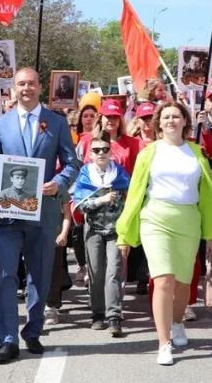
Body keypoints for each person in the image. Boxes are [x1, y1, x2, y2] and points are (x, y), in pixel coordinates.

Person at [115, 102, 212, 366]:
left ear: (185, 121)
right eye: (165, 117)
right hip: (155, 219)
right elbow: (135, 194)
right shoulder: (148, 153)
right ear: (158, 123)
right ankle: (163, 343)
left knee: (182, 283)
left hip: (189, 221)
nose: (171, 121)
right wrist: (124, 234)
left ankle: (177, 322)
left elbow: (207, 197)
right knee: (163, 280)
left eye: (176, 116)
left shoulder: (197, 153)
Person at [0, 67, 80, 364]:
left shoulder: (56, 122)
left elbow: (72, 163)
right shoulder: (0, 124)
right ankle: (7, 339)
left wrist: (59, 183)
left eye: (32, 84)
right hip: (8, 214)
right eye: (21, 84)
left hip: (43, 214)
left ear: (40, 87)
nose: (27, 89)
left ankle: (33, 330)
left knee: (39, 275)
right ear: (14, 89)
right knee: (6, 275)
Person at [74, 130, 130, 336]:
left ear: (110, 152)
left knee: (113, 272)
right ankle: (97, 313)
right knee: (96, 273)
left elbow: (130, 198)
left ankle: (114, 315)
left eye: (105, 149)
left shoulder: (120, 174)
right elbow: (80, 205)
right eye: (96, 150)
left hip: (115, 230)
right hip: (94, 231)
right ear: (90, 154)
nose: (101, 153)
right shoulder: (85, 175)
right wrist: (100, 200)